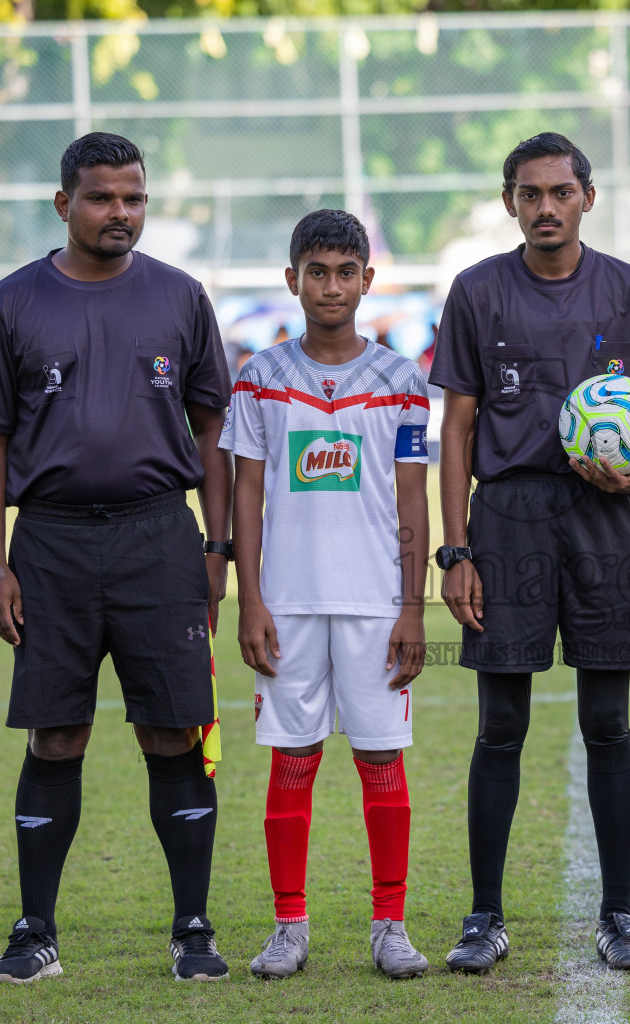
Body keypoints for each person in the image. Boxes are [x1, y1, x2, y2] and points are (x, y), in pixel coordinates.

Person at [0, 132, 234, 984]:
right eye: (104, 197)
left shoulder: (181, 297)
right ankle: (35, 931)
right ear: (63, 202)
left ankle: (192, 930)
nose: (122, 213)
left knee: (173, 731)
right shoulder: (11, 303)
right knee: (58, 735)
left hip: (159, 536)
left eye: (135, 197)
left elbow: (214, 428)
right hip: (52, 542)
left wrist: (216, 547)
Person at [428, 132, 630, 972]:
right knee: (501, 725)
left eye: (560, 192)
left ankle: (619, 913)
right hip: (507, 517)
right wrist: (454, 548)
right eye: (529, 194)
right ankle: (483, 917)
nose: (545, 207)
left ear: (587, 198)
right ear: (510, 203)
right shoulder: (476, 292)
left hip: (605, 519)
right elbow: (456, 426)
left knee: (607, 720)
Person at [223, 209, 432, 981]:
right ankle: (288, 925)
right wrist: (251, 600)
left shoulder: (402, 381)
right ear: (292, 280)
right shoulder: (261, 376)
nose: (332, 286)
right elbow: (247, 494)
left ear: (368, 280)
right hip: (289, 601)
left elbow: (413, 500)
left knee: (382, 756)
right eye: (317, 271)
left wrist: (414, 605)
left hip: (378, 603)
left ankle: (390, 924)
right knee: (293, 757)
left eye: (347, 272)